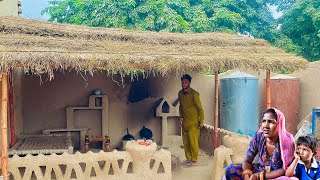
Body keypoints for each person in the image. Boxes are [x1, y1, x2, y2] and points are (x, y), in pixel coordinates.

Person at [225, 108, 295, 180]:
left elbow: (285, 169)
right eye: (264, 121)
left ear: (279, 125)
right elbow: (247, 161)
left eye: (271, 122)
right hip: (259, 170)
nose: (266, 126)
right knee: (231, 169)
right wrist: (247, 174)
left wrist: (259, 176)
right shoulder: (259, 137)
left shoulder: (287, 142)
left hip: (275, 177)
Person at [178, 74, 204, 168]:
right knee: (186, 142)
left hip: (194, 122)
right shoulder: (180, 93)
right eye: (182, 82)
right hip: (185, 122)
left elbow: (200, 109)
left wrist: (201, 121)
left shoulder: (194, 94)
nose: (184, 84)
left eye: (185, 82)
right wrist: (180, 118)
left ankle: (194, 160)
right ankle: (188, 159)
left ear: (189, 83)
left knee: (193, 142)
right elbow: (180, 106)